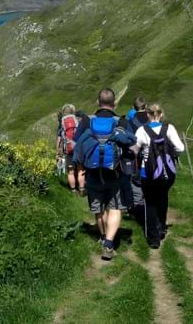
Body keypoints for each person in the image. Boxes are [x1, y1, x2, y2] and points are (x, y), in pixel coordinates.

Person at [74, 88, 136, 261]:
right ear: (114, 103)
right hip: (115, 173)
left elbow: (77, 142)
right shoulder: (121, 122)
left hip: (92, 173)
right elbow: (130, 144)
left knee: (99, 208)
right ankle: (109, 243)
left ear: (97, 102)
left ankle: (102, 237)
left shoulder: (87, 120)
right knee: (115, 207)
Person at [134, 103, 185, 249]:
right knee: (163, 198)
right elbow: (180, 147)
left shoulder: (141, 130)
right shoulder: (169, 128)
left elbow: (135, 151)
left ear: (148, 115)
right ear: (161, 114)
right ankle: (162, 227)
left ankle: (153, 238)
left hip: (147, 173)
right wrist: (170, 155)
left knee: (149, 202)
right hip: (166, 172)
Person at [122, 96, 149, 213]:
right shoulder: (151, 119)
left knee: (136, 181)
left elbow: (128, 139)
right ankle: (149, 204)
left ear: (133, 108)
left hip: (136, 155)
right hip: (150, 155)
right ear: (146, 106)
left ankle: (138, 206)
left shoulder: (130, 122)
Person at [56, 104, 85, 194]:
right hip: (78, 148)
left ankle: (73, 190)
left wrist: (57, 150)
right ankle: (81, 189)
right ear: (73, 111)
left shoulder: (62, 123)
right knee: (80, 169)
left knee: (70, 171)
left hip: (68, 150)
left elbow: (59, 138)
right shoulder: (77, 121)